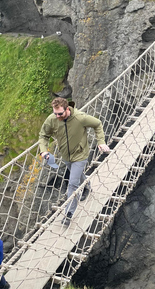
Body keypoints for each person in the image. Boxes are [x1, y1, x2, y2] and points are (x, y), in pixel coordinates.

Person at [38, 97, 110, 226]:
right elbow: (43, 135)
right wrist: (43, 150)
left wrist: (101, 142)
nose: (57, 116)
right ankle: (87, 187)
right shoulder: (52, 119)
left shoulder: (80, 118)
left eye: (60, 113)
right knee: (77, 175)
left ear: (67, 109)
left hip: (80, 155)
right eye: (55, 113)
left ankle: (68, 214)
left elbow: (97, 123)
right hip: (65, 156)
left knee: (73, 184)